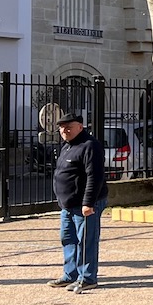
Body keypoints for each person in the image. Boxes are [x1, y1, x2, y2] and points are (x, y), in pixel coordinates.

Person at [49, 113, 108, 292]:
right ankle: (70, 274)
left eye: (68, 127)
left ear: (80, 127)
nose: (64, 130)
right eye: (61, 127)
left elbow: (94, 177)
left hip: (85, 204)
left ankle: (87, 277)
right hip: (68, 205)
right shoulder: (67, 146)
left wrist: (88, 203)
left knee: (86, 240)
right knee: (68, 239)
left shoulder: (89, 145)